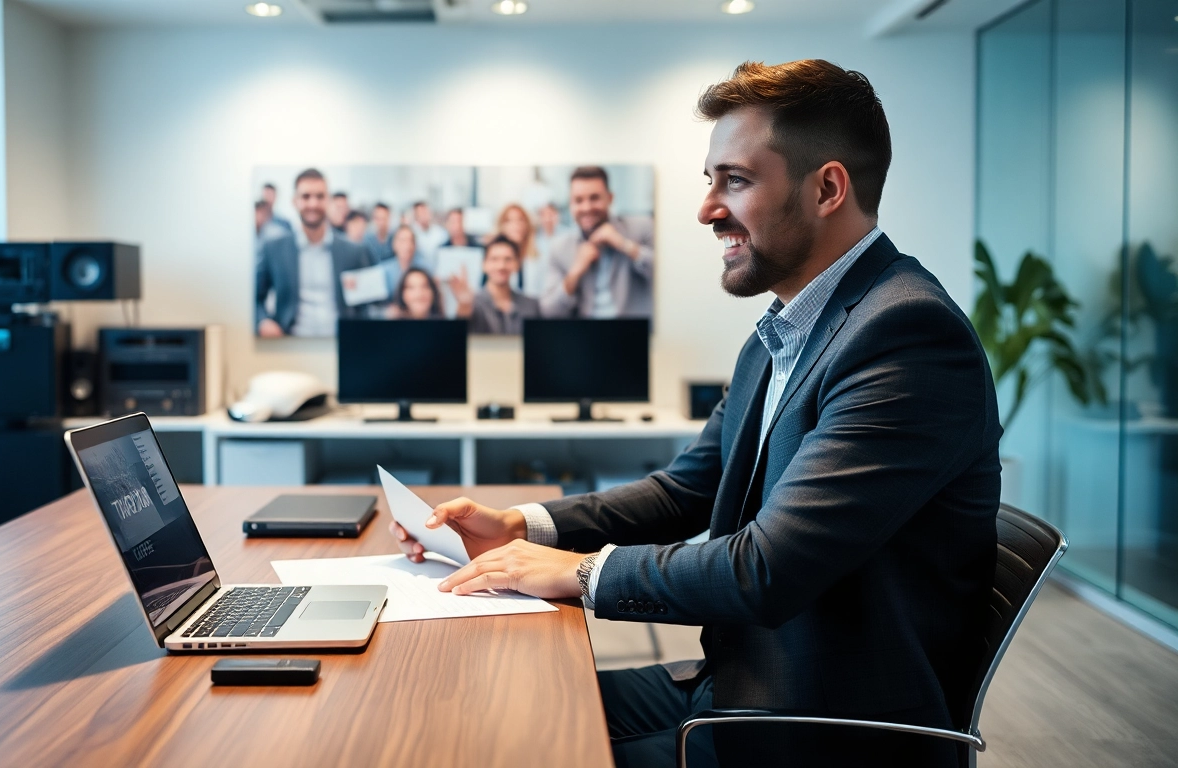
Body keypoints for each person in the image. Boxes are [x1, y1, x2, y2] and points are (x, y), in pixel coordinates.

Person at [390, 59, 1000, 768]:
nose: (708, 208)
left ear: (828, 187)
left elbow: (766, 569)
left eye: (734, 181)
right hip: (739, 688)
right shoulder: (786, 330)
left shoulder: (906, 337)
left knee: (503, 749)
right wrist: (521, 527)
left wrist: (575, 572)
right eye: (710, 181)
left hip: (819, 731)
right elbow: (689, 491)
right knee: (481, 714)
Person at [256, 168, 373, 338]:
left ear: (328, 201)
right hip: (288, 345)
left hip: (343, 345)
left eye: (320, 196)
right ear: (294, 201)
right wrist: (263, 321)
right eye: (306, 197)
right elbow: (255, 298)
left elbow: (366, 306)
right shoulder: (274, 248)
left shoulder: (353, 251)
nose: (313, 204)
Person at [540, 167, 654, 318]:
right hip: (584, 338)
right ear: (570, 204)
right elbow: (549, 311)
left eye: (594, 198)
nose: (586, 207)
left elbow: (666, 276)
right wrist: (575, 272)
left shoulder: (641, 227)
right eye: (579, 200)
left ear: (610, 198)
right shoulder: (560, 248)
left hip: (634, 336)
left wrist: (624, 244)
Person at [448, 235, 540, 335]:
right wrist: (464, 303)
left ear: (517, 264)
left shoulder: (530, 305)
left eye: (508, 259)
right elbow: (460, 328)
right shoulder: (474, 303)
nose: (501, 265)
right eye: (494, 259)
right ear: (484, 264)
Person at [491, 203, 542, 297]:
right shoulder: (492, 258)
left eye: (520, 220)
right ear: (501, 225)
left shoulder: (537, 258)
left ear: (527, 225)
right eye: (509, 221)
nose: (516, 225)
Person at [381, 224, 431, 296]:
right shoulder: (384, 270)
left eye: (410, 241)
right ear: (394, 244)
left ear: (415, 245)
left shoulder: (424, 269)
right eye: (402, 240)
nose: (407, 245)